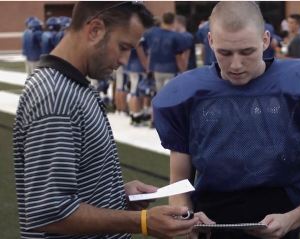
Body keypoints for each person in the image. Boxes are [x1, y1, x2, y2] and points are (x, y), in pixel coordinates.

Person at [13, 2, 212, 239]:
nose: (125, 60)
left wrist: (115, 195)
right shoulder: (56, 97)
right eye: (123, 47)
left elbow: (74, 187)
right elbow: (50, 212)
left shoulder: (71, 86)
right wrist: (143, 222)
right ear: (95, 29)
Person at [153, 2, 300, 239]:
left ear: (265, 40)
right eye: (225, 53)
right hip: (211, 225)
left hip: (283, 223)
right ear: (211, 41)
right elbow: (180, 183)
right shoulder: (186, 95)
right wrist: (186, 218)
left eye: (247, 51)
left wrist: (291, 219)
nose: (236, 64)